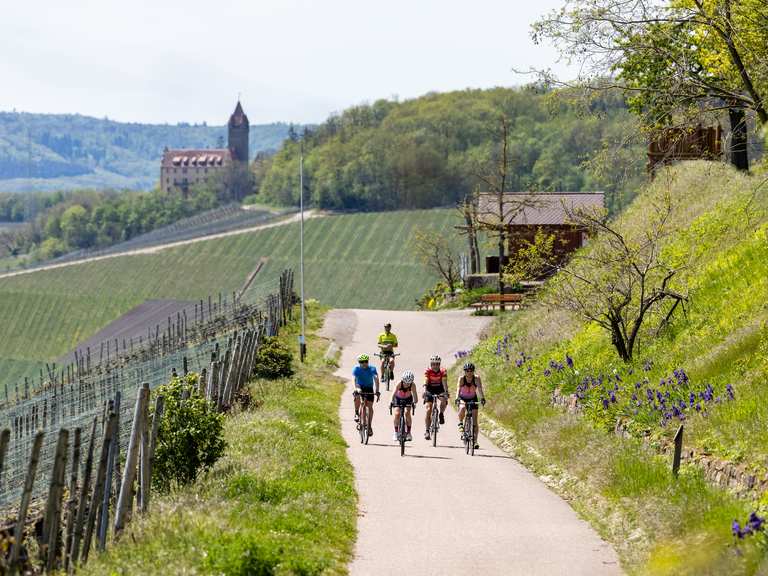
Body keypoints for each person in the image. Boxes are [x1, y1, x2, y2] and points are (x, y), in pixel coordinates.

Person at [455, 362, 486, 450]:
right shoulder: (461, 379)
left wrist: (482, 398)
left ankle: (475, 441)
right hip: (463, 398)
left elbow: (480, 389)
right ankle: (461, 423)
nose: (469, 372)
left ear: (473, 371)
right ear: (465, 371)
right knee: (463, 407)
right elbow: (458, 388)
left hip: (473, 398)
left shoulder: (476, 378)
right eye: (467, 371)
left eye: (471, 371)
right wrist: (457, 398)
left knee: (475, 421)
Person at [353, 353, 380, 436]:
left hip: (369, 387)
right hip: (359, 386)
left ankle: (369, 426)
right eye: (362, 362)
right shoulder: (356, 369)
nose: (364, 363)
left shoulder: (372, 368)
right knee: (357, 395)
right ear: (359, 362)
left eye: (366, 361)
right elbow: (354, 379)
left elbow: (376, 379)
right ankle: (357, 412)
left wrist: (377, 390)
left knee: (370, 407)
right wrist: (356, 388)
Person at [423, 354, 449, 440]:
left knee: (444, 400)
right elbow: (426, 381)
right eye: (433, 364)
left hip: (440, 388)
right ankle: (427, 431)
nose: (435, 366)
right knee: (428, 410)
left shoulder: (443, 371)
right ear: (431, 364)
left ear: (439, 364)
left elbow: (444, 383)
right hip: (430, 389)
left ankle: (441, 414)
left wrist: (446, 392)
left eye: (437, 364)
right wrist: (424, 391)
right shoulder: (428, 371)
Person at [391, 369, 418, 441]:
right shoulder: (399, 384)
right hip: (398, 398)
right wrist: (390, 401)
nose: (407, 384)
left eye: (409, 383)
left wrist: (414, 403)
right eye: (406, 383)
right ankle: (396, 432)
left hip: (408, 399)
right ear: (403, 380)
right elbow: (393, 394)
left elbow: (415, 396)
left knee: (407, 413)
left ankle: (409, 433)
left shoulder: (413, 385)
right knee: (397, 413)